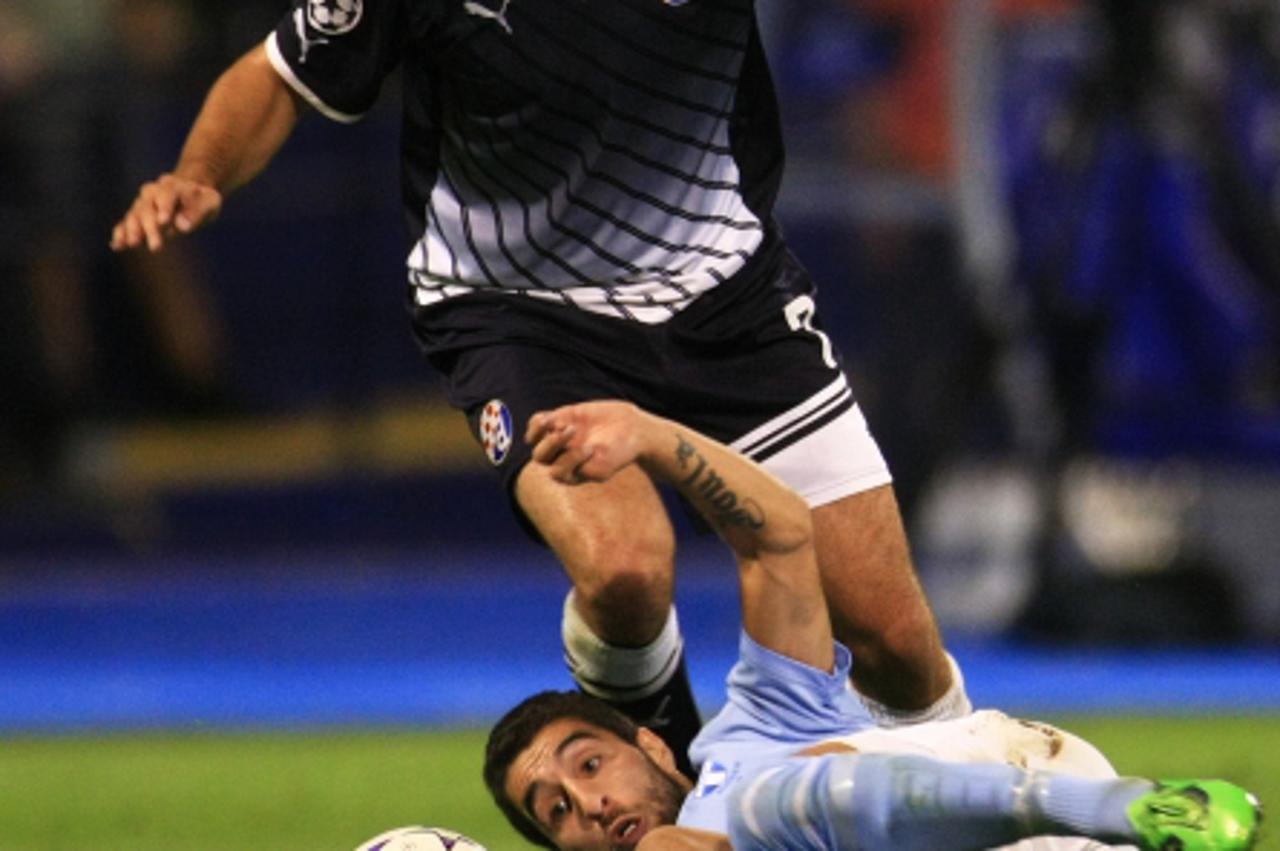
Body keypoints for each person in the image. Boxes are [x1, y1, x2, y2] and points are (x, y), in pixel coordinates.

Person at [109, 0, 971, 771]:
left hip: (727, 297)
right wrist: (197, 174)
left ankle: (1000, 809)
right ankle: (668, 796)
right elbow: (279, 74)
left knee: (893, 638)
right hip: (519, 314)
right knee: (625, 567)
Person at [483, 399, 1263, 851]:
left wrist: (652, 437)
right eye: (554, 811)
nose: (587, 805)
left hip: (1022, 793)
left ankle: (1129, 807)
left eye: (587, 765)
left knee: (770, 806)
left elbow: (781, 534)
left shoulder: (753, 732)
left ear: (650, 741)